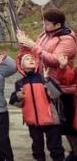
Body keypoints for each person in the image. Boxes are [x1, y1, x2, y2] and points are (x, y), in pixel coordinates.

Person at [18, 9, 77, 157]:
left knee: (70, 124)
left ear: (58, 24)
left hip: (63, 85)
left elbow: (55, 60)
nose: (44, 25)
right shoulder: (45, 34)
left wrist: (33, 46)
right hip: (46, 83)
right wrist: (24, 45)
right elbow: (35, 55)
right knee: (61, 126)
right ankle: (72, 151)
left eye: (47, 23)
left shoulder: (67, 39)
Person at [11, 52, 64, 161]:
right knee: (37, 150)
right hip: (32, 122)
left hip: (51, 120)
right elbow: (17, 103)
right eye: (27, 59)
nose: (31, 60)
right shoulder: (20, 83)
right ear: (21, 65)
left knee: (56, 149)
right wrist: (18, 97)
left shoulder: (43, 78)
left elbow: (56, 94)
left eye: (32, 59)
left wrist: (47, 80)